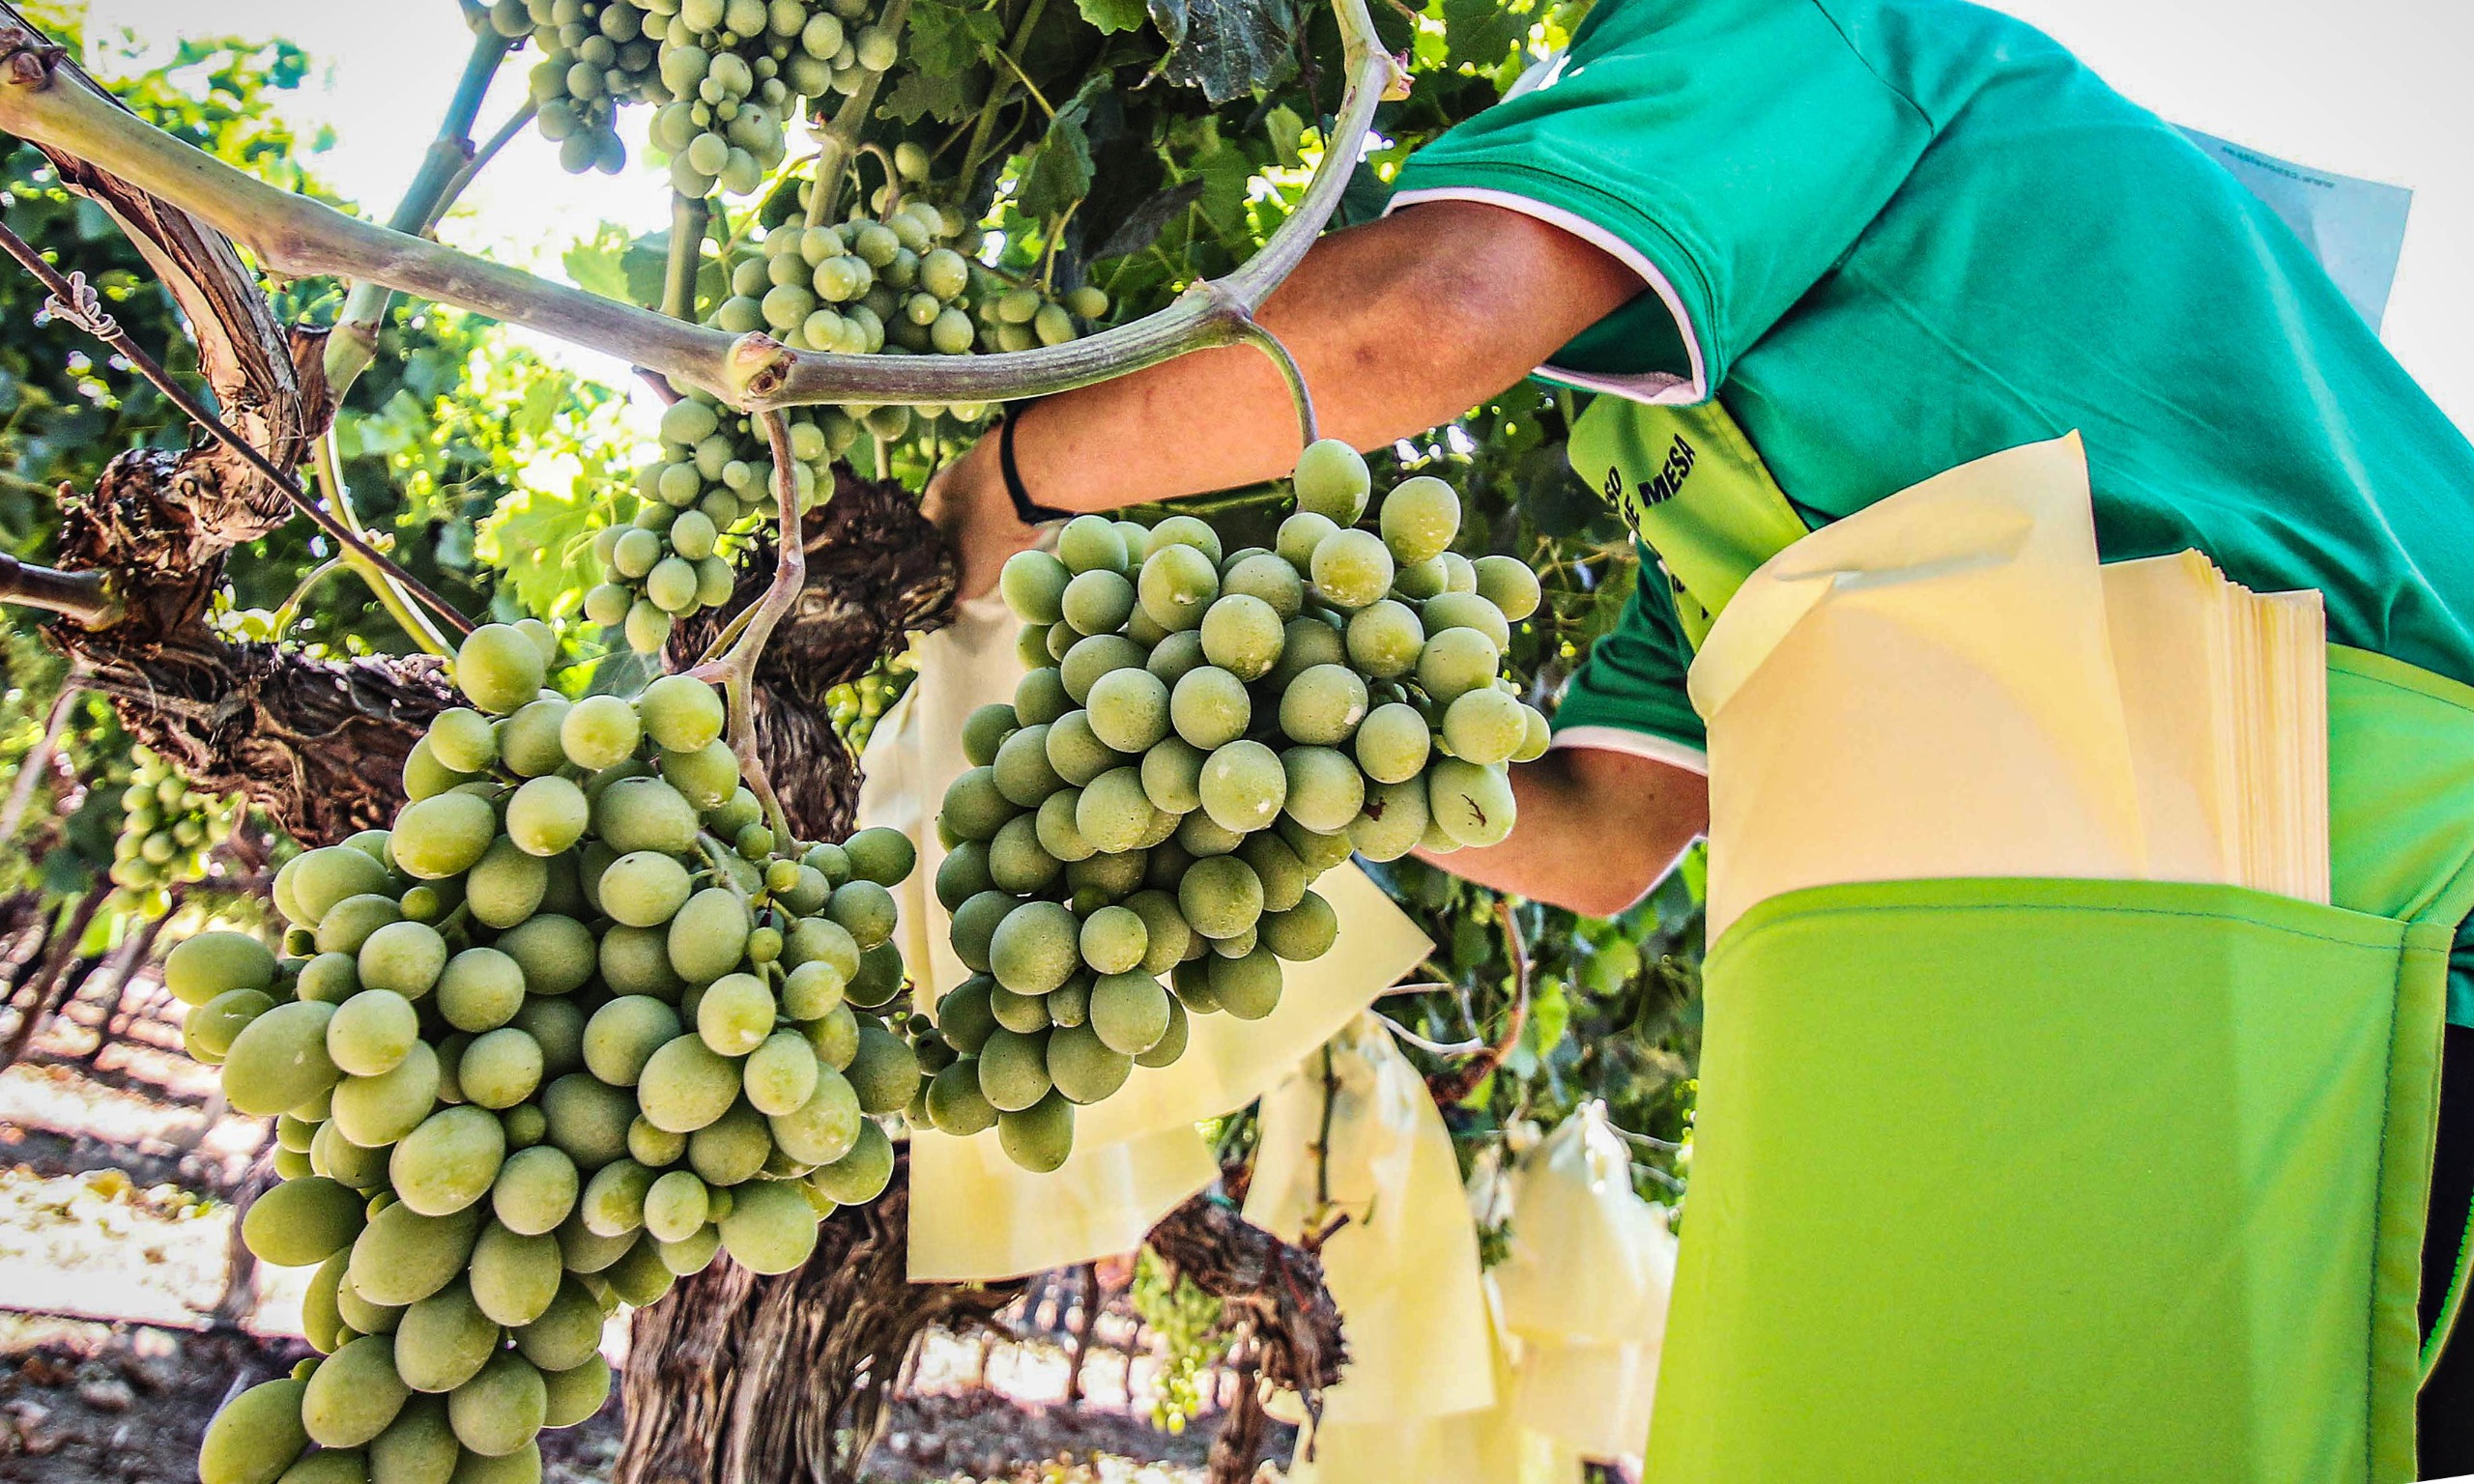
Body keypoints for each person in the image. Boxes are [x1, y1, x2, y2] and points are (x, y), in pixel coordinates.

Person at [925, 0, 2474, 1469]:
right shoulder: (1712, 456)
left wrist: (1013, 478)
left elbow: (1423, 314)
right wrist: (1285, 761)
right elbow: (1607, 831)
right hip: (2190, 964)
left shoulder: (1796, 21)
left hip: (2385, 920)